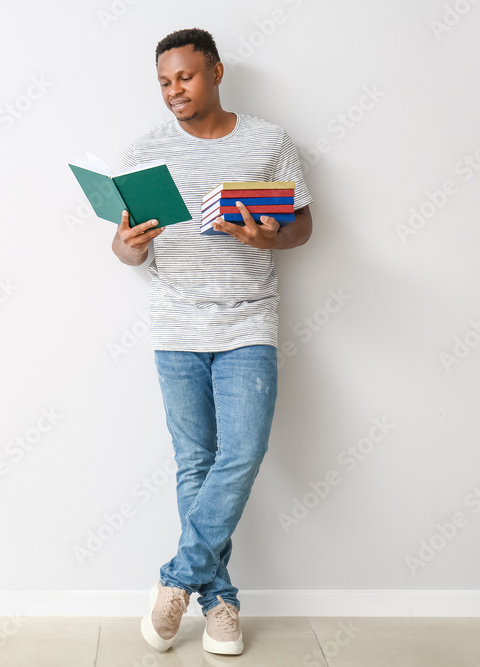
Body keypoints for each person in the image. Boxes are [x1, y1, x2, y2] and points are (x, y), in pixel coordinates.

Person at [110, 27, 313, 656]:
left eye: (186, 78)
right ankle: (218, 600)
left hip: (248, 322)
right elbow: (123, 248)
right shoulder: (146, 149)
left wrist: (268, 239)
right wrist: (128, 246)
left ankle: (176, 580)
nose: (175, 91)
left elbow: (303, 224)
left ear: (217, 72)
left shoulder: (267, 141)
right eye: (165, 82)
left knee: (243, 453)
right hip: (175, 328)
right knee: (195, 464)